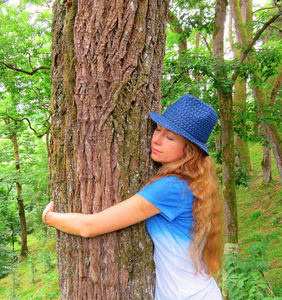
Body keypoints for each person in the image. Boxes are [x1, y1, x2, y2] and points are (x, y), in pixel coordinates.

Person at [42, 94, 224, 299]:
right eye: (158, 129)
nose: (155, 139)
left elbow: (88, 227)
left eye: (170, 137)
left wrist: (49, 217)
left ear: (189, 151)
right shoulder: (194, 184)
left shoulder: (171, 188)